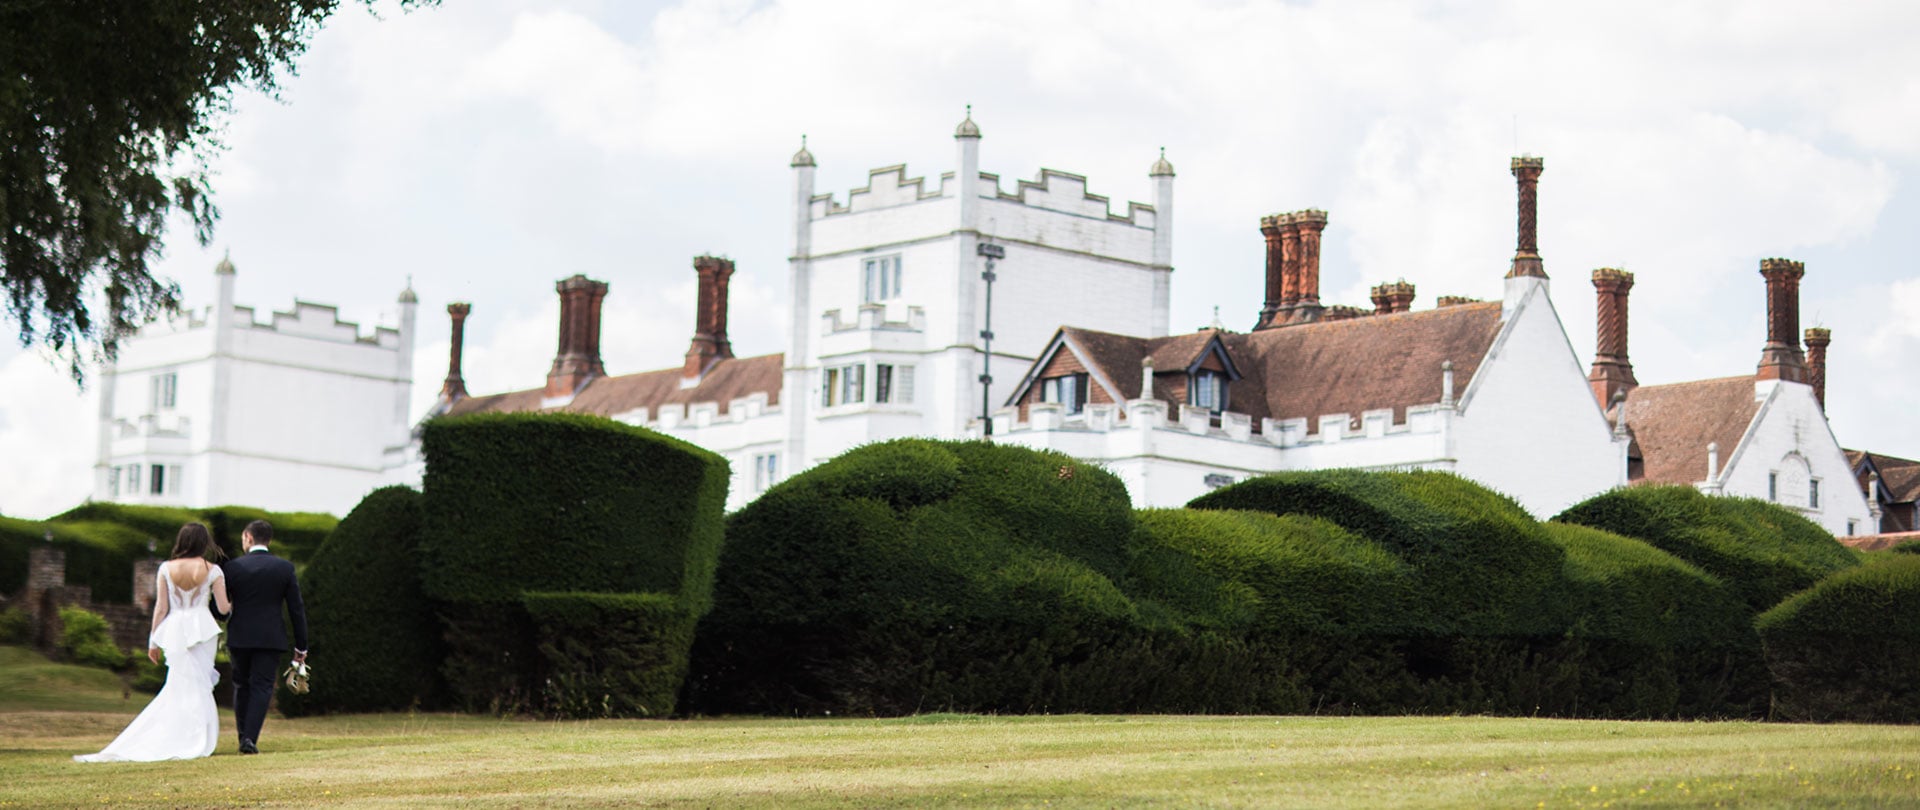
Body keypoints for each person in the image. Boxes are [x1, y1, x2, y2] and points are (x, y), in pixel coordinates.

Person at [76, 523, 231, 762]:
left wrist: (153, 641)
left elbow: (161, 608)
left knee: (178, 683)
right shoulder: (214, 570)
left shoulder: (166, 569)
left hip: (175, 629)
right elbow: (222, 608)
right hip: (202, 628)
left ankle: (179, 735)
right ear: (204, 542)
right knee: (200, 684)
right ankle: (195, 737)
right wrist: (236, 604)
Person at [223, 519, 308, 755]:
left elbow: (218, 608)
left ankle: (244, 736)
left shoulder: (232, 568)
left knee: (241, 685)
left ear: (248, 537)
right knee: (262, 687)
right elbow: (296, 609)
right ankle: (249, 738)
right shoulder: (284, 568)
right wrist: (301, 646)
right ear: (267, 540)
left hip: (239, 635)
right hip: (271, 637)